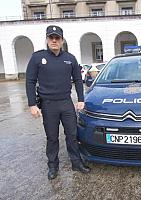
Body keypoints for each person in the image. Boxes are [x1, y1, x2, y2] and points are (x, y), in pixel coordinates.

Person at [26, 25, 90, 180]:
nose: (54, 40)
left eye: (57, 38)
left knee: (72, 135)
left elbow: (78, 81)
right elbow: (30, 81)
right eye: (51, 37)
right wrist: (32, 104)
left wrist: (81, 99)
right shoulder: (37, 58)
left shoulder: (70, 58)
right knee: (52, 137)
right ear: (47, 39)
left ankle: (76, 163)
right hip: (48, 104)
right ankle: (53, 166)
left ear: (62, 40)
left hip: (66, 103)